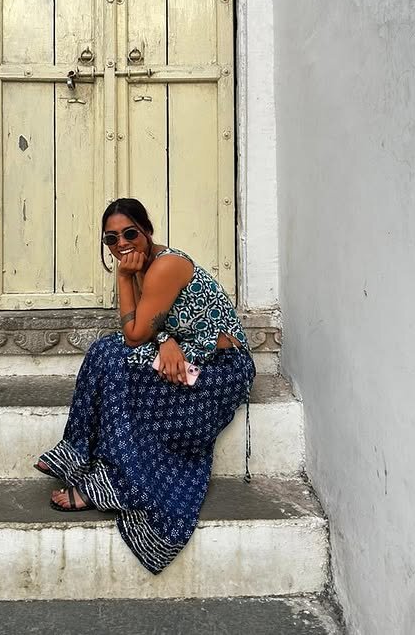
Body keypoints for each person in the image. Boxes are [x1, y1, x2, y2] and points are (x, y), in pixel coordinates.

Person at [35, 197, 256, 574]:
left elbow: (135, 333)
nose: (122, 244)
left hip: (221, 368)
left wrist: (123, 279)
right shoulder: (141, 266)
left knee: (119, 362)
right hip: (188, 354)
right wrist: (165, 340)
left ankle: (111, 481)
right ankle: (79, 456)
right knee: (106, 352)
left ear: (148, 231)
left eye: (130, 234)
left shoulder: (165, 266)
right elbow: (146, 327)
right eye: (111, 239)